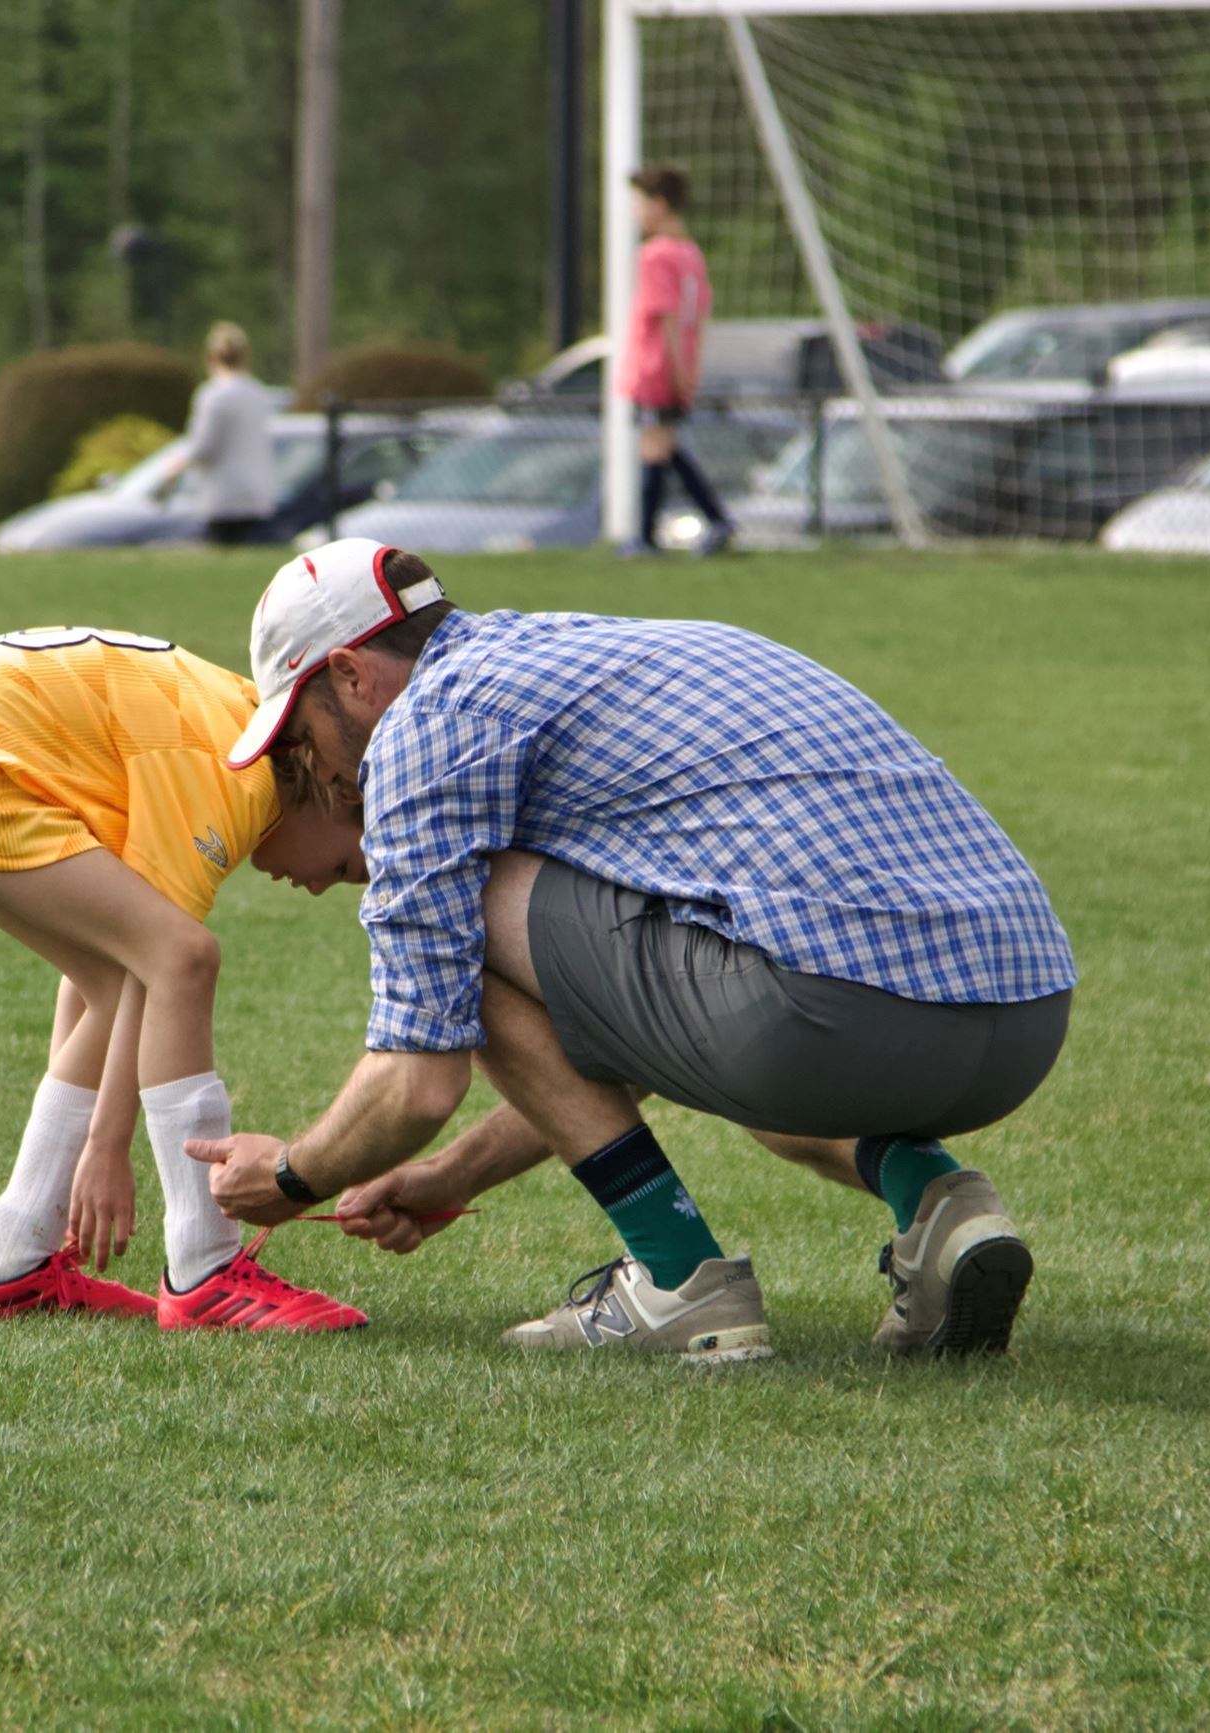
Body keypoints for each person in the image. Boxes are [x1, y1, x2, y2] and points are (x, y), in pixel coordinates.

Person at [185, 540, 1077, 1364]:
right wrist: (452, 1175)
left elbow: (419, 1078)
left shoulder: (424, 725)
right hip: (1025, 1014)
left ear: (348, 673)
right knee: (745, 1025)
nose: (331, 773)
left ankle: (681, 1277)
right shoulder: (584, 646)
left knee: (462, 909)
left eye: (301, 734)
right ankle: (941, 1203)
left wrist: (295, 1175)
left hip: (827, 1015)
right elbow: (638, 1033)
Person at [0, 624, 369, 1333]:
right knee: (183, 954)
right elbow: (162, 963)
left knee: (120, 965)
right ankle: (206, 1271)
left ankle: (10, 1264)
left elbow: (102, 980)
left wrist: (65, 1168)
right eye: (348, 866)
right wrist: (104, 1149)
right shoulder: (241, 777)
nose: (321, 886)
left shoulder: (238, 727)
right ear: (333, 790)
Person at [620, 163, 736, 557]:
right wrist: (691, 364)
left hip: (655, 367)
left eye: (638, 202)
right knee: (664, 445)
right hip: (678, 364)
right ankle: (716, 520)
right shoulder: (690, 253)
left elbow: (668, 314)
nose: (635, 212)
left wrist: (675, 367)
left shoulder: (655, 255)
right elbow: (698, 314)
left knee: (654, 447)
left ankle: (647, 538)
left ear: (659, 203)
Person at [158, 321, 278, 545]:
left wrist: (178, 464)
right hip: (257, 494)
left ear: (212, 357)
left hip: (224, 497)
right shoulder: (258, 393)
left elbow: (204, 447)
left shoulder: (212, 395)